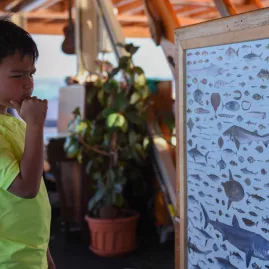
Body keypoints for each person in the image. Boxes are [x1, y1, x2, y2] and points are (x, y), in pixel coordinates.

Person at [0, 16, 55, 269]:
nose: (29, 82)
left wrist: (45, 253)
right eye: (18, 74)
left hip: (32, 256)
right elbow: (25, 188)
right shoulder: (26, 124)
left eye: (31, 73)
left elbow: (37, 194)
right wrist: (36, 125)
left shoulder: (17, 123)